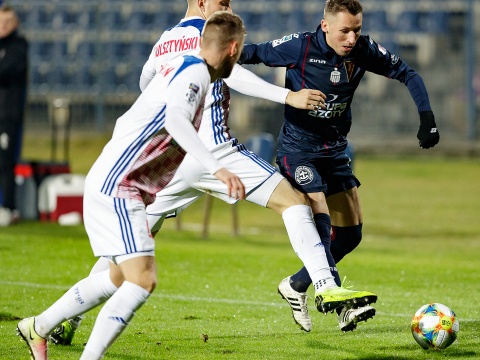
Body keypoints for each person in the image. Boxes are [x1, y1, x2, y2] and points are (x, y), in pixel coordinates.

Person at [46, 0, 377, 346]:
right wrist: (287, 96)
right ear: (202, 3)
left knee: (126, 249)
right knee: (293, 202)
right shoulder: (205, 36)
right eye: (222, 2)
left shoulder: (166, 39)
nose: (228, 7)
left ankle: (64, 320)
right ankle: (325, 284)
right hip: (214, 151)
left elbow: (147, 81)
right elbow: (236, 73)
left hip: (173, 161)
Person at [238, 0, 440, 332]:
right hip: (298, 150)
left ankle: (296, 285)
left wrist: (427, 119)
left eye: (357, 30)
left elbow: (408, 73)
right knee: (319, 217)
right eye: (345, 30)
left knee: (350, 235)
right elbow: (251, 53)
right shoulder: (300, 46)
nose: (351, 38)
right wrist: (210, 59)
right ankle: (338, 302)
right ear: (325, 25)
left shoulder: (362, 50)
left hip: (334, 150)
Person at [0, 4, 28, 226]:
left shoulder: (19, 46)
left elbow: (7, 70)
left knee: (5, 161)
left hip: (7, 115)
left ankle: (8, 207)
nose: (3, 26)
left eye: (8, 22)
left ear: (15, 24)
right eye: (0, 21)